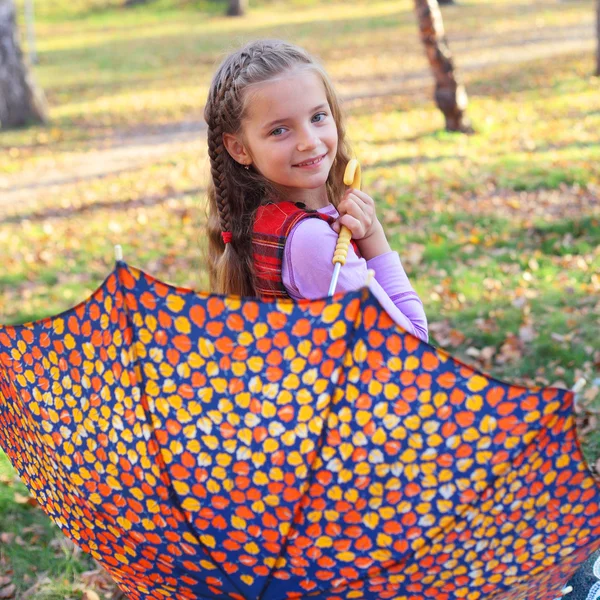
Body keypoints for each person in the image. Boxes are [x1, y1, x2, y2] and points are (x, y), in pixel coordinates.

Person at [203, 39, 428, 343]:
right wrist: (373, 235)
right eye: (279, 130)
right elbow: (412, 342)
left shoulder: (261, 220)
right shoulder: (312, 243)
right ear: (239, 148)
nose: (309, 140)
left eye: (317, 117)